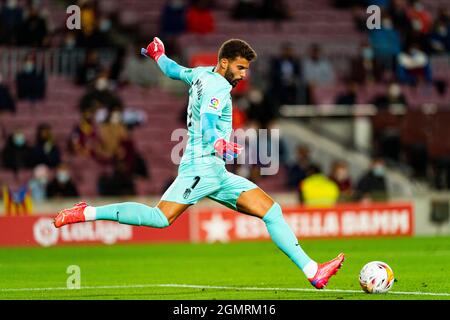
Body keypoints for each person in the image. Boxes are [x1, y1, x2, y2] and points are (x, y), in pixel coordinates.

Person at [54, 37, 344, 289]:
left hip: (216, 171)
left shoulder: (201, 74)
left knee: (271, 210)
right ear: (224, 62)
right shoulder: (218, 87)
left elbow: (172, 70)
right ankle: (87, 212)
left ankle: (313, 271)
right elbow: (207, 119)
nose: (244, 75)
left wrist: (158, 55)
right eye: (240, 67)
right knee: (160, 218)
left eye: (247, 68)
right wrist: (216, 141)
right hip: (200, 167)